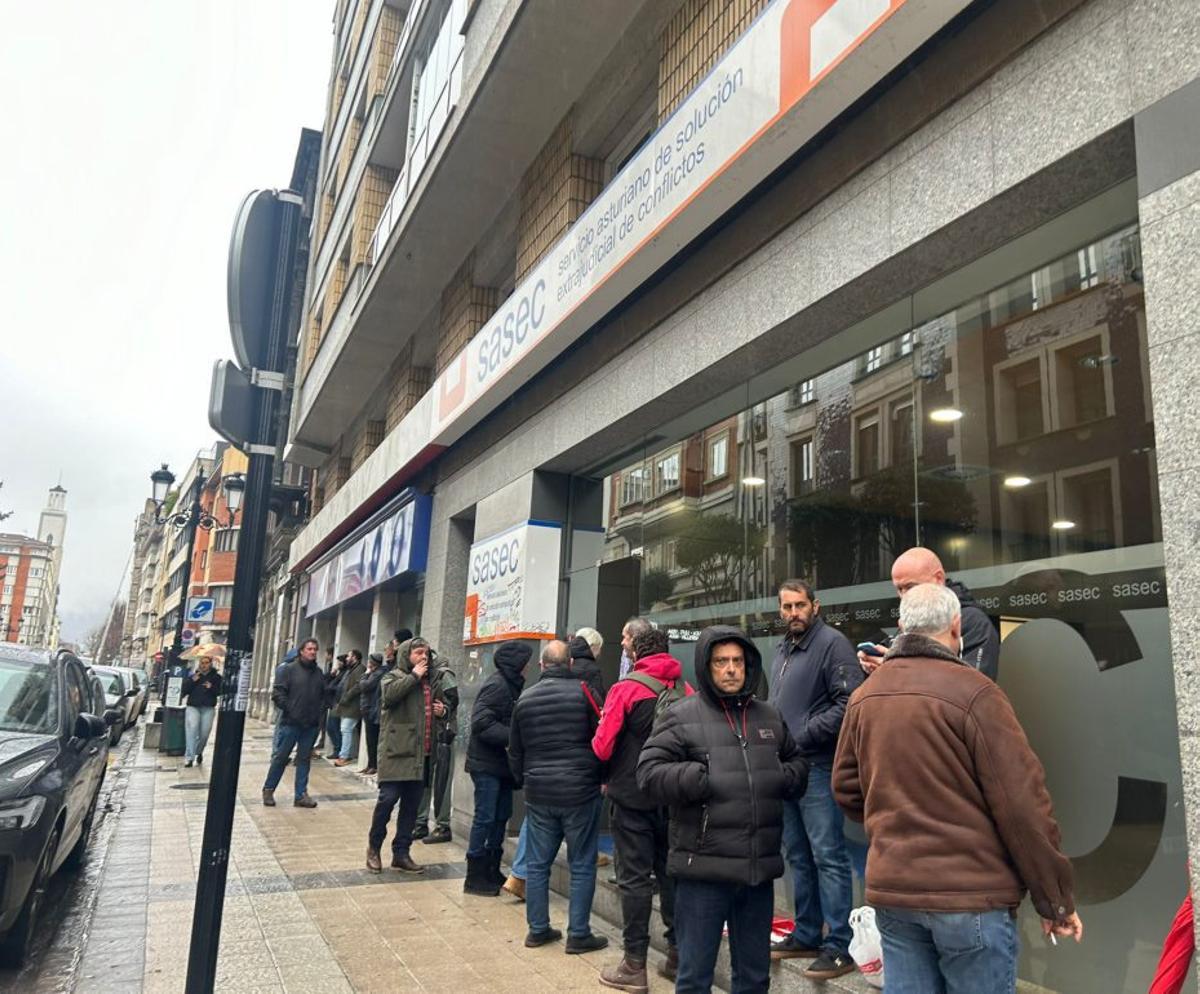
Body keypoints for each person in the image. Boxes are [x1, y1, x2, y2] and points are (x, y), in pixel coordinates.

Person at [833, 583, 1082, 993]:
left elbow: (845, 789)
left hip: (895, 891)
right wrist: (1054, 899)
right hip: (971, 897)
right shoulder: (976, 692)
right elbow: (1022, 805)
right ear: (955, 626)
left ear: (900, 628)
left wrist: (895, 818)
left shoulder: (865, 697)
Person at [637, 625, 808, 994]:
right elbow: (648, 773)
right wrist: (699, 778)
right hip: (703, 874)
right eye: (721, 662)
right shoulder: (681, 715)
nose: (731, 669)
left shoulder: (769, 716)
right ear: (706, 667)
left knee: (754, 979)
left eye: (737, 661)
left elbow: (797, 764)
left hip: (756, 875)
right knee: (695, 977)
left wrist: (781, 776)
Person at [768, 579, 862, 980]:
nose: (793, 613)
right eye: (786, 607)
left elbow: (849, 703)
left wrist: (800, 735)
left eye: (799, 605)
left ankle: (839, 944)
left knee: (828, 856)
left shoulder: (832, 644)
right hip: (786, 768)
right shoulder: (783, 649)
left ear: (815, 605)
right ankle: (807, 932)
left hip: (818, 766)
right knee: (798, 856)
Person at [593, 626, 692, 991]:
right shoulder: (686, 689)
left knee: (634, 879)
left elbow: (602, 748)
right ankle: (678, 955)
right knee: (671, 874)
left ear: (636, 653)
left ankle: (634, 964)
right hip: (673, 798)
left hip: (632, 797)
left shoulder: (626, 689)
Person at [508, 640, 607, 952]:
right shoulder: (585, 692)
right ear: (569, 664)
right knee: (581, 864)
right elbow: (601, 738)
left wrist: (525, 780)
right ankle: (578, 934)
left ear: (542, 665)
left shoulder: (525, 699)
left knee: (537, 865)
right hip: (580, 791)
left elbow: (516, 751)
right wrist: (601, 777)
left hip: (539, 794)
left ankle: (538, 929)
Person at [366, 637, 451, 874]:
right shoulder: (392, 677)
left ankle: (401, 853)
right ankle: (373, 848)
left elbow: (445, 708)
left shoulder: (431, 681)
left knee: (412, 807)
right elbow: (390, 697)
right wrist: (413, 676)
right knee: (387, 800)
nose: (424, 657)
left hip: (422, 753)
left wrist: (443, 711)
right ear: (406, 656)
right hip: (397, 752)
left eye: (426, 653)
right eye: (418, 653)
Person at [858, 547, 1000, 680]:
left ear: (938, 579)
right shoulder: (909, 620)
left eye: (910, 587)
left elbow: (973, 686)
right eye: (899, 589)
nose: (904, 596)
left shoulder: (973, 622)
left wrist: (895, 670)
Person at [463, 640, 530, 895]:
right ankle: (475, 875)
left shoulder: (510, 684)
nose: (529, 666)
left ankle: (491, 866)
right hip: (486, 764)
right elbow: (481, 723)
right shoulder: (497, 685)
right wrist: (514, 736)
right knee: (485, 817)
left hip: (501, 766)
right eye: (525, 660)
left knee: (501, 816)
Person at [263, 638, 330, 808]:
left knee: (304, 759)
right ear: (301, 651)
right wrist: (291, 709)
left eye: (315, 649)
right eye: (309, 648)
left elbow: (324, 695)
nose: (313, 652)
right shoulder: (289, 670)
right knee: (281, 757)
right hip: (290, 723)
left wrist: (320, 714)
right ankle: (269, 789)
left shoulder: (318, 673)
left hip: (311, 724)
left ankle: (301, 794)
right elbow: (278, 694)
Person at [414, 649, 459, 843]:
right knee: (425, 781)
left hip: (442, 736)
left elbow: (453, 701)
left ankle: (443, 825)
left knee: (442, 781)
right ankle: (420, 822)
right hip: (426, 735)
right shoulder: (420, 674)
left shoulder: (443, 673)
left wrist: (444, 710)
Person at [182, 654, 221, 768]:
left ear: (210, 664)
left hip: (208, 707)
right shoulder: (194, 676)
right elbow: (184, 690)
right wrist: (192, 681)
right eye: (202, 663)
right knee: (192, 729)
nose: (204, 665)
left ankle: (199, 751)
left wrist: (211, 687)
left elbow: (220, 691)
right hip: (193, 706)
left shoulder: (216, 677)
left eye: (206, 663)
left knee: (204, 733)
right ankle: (189, 757)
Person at [357, 651, 388, 775]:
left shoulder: (378, 673)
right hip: (367, 708)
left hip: (371, 710)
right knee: (369, 739)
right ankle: (370, 764)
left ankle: (373, 765)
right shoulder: (374, 673)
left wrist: (365, 675)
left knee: (372, 739)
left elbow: (364, 686)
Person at [332, 649, 364, 766]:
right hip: (346, 705)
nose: (346, 659)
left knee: (346, 729)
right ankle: (345, 754)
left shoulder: (360, 669)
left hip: (353, 705)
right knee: (344, 729)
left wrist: (346, 697)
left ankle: (344, 756)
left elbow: (357, 687)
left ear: (354, 657)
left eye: (348, 656)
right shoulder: (351, 669)